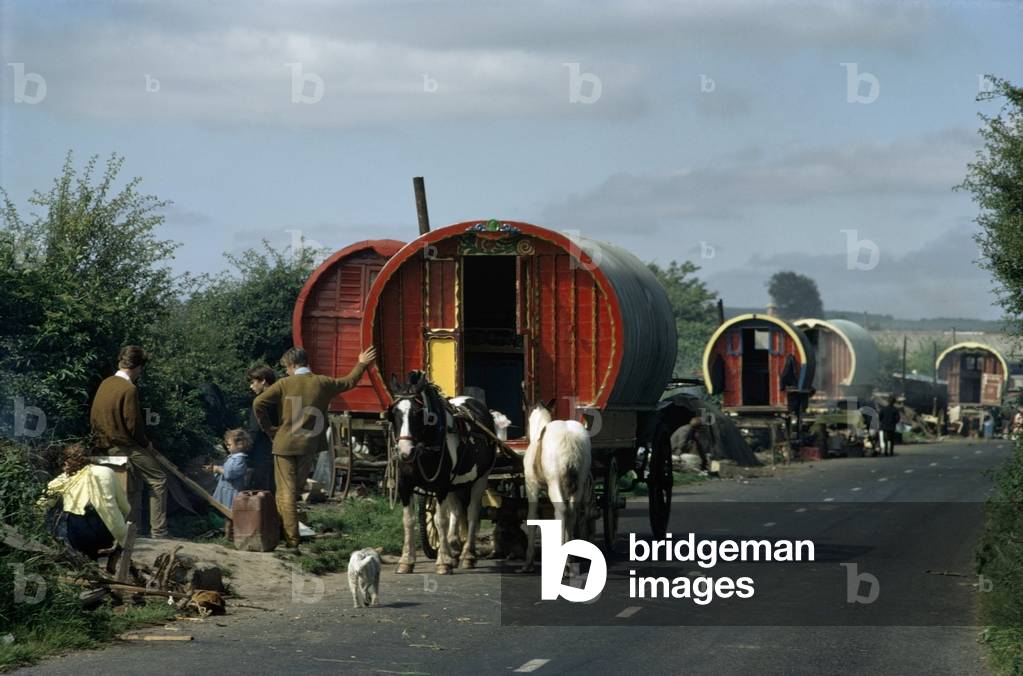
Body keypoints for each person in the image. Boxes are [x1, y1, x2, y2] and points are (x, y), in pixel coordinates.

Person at [254, 345, 377, 552]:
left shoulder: (284, 383)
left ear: (293, 365)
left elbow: (258, 403)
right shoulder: (323, 382)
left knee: (285, 492)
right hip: (309, 446)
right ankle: (284, 532)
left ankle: (292, 540)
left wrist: (269, 429)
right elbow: (349, 381)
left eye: (286, 367)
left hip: (284, 444)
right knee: (294, 491)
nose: (286, 371)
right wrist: (361, 364)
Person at [90, 345, 168, 538]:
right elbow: (133, 425)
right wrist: (146, 444)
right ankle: (159, 532)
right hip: (123, 446)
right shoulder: (129, 389)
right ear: (138, 367)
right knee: (158, 479)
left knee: (135, 482)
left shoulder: (106, 383)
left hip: (102, 444)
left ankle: (134, 529)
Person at [39, 444, 131, 559]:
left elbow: (42, 505)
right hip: (110, 536)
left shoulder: (63, 479)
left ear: (67, 463)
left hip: (80, 537)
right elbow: (125, 508)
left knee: (63, 521)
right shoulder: (107, 472)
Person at [245, 365, 278, 492]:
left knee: (260, 491)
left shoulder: (260, 401)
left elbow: (255, 430)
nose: (251, 386)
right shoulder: (280, 397)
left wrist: (246, 450)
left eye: (253, 382)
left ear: (263, 380)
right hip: (279, 448)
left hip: (261, 451)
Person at [205, 429, 251, 510]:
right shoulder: (231, 458)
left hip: (231, 492)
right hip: (224, 489)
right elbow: (225, 470)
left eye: (229, 445)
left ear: (239, 445)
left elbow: (231, 474)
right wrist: (214, 469)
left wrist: (218, 469)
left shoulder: (240, 459)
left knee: (229, 510)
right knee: (220, 510)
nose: (227, 446)